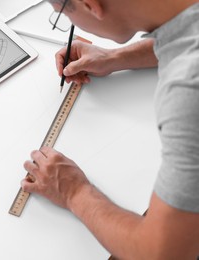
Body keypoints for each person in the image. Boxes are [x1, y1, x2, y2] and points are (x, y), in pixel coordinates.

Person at [21, 0, 199, 258]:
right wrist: (116, 57)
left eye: (62, 14)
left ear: (90, 5)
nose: (69, 23)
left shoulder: (187, 90)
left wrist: (74, 192)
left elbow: (163, 253)